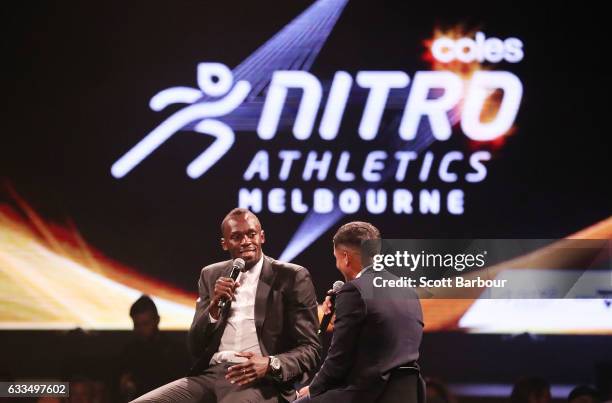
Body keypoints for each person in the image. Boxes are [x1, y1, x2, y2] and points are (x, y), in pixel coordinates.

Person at [131, 208, 321, 402]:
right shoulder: (211, 275)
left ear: (262, 237)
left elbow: (311, 348)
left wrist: (270, 364)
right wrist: (213, 308)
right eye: (237, 237)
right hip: (210, 375)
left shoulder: (292, 276)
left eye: (251, 234)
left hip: (257, 379)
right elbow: (195, 347)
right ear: (225, 244)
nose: (246, 241)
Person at [296, 221, 424, 403]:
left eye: (336, 258)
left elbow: (338, 360)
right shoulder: (407, 289)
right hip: (408, 395)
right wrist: (341, 317)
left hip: (366, 394)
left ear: (346, 257)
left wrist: (314, 388)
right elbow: (381, 338)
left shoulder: (354, 291)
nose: (337, 264)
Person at [118, 295, 190, 401]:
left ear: (157, 320)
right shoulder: (129, 352)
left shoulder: (176, 351)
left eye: (145, 324)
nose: (141, 329)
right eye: (137, 325)